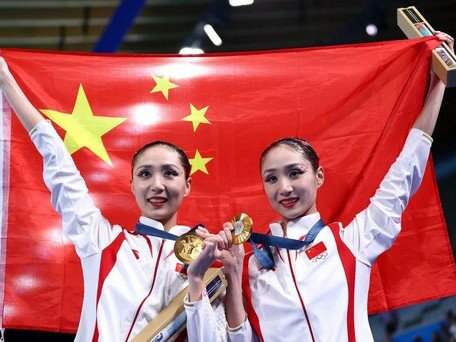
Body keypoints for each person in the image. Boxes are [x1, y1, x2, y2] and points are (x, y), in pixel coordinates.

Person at [184, 31, 454, 342]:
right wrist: (232, 272)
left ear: (319, 177)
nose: (284, 187)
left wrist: (438, 83)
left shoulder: (352, 241)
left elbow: (405, 172)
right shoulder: (252, 261)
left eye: (295, 173)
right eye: (271, 178)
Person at [0, 55, 202, 341]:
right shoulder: (102, 240)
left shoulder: (204, 257)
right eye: (145, 174)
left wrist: (206, 273)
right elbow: (58, 163)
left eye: (169, 173)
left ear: (187, 186)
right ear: (132, 185)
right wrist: (5, 80)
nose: (157, 185)